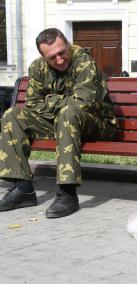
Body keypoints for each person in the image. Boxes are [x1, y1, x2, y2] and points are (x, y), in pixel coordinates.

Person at [0, 28, 117, 218]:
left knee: (68, 114)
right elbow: (33, 104)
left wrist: (52, 101)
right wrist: (60, 103)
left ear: (68, 45)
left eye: (62, 52)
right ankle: (23, 189)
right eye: (52, 57)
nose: (60, 59)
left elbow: (84, 103)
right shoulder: (38, 68)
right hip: (62, 121)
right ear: (43, 57)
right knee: (12, 115)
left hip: (98, 123)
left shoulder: (84, 62)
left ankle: (67, 193)